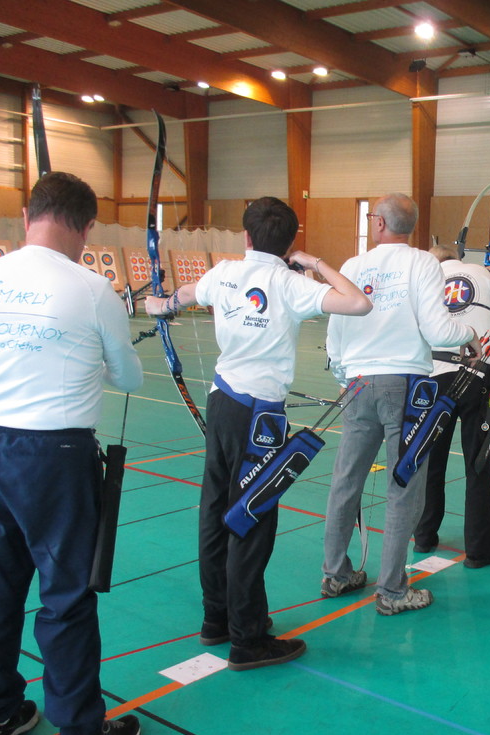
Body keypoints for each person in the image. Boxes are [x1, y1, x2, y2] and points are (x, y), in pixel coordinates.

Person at [147, 197, 371, 669]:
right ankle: (247, 639)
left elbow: (187, 293)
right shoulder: (289, 282)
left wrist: (159, 306)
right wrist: (314, 262)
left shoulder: (225, 272)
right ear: (289, 243)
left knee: (216, 512)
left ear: (246, 237)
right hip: (260, 418)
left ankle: (217, 618)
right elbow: (358, 302)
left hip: (223, 403)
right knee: (251, 518)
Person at [0, 172, 143, 735]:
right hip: (54, 459)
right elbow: (129, 377)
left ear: (26, 217)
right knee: (66, 594)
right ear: (87, 227)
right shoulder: (92, 289)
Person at [324, 194, 478, 615]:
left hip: (358, 384)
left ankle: (336, 573)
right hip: (406, 388)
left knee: (346, 481)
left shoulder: (353, 266)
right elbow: (438, 330)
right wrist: (469, 334)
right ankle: (392, 590)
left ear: (379, 223)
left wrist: (345, 377)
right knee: (404, 487)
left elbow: (335, 333)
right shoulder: (422, 263)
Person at [413, 244, 490, 568]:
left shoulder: (425, 277)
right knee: (477, 463)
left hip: (435, 378)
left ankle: (424, 535)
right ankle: (480, 550)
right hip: (477, 376)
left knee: (431, 461)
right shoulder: (480, 273)